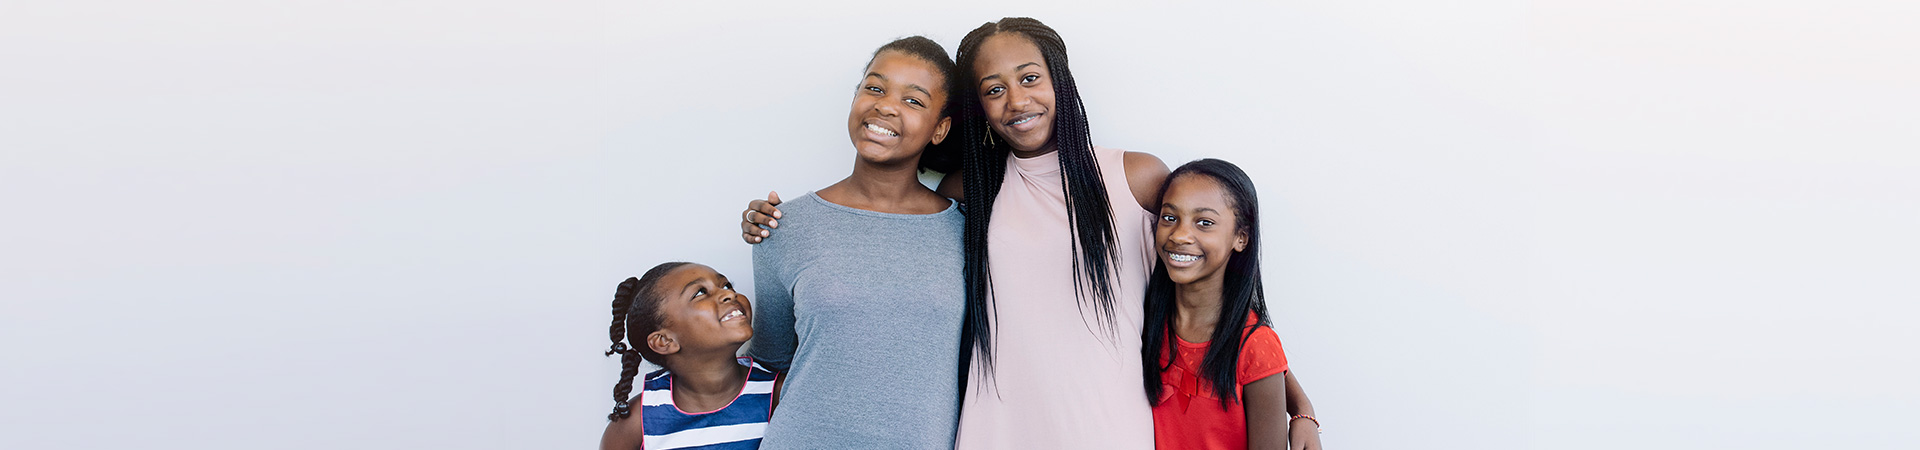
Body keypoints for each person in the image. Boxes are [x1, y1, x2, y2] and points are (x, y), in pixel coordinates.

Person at [746, 36, 966, 449]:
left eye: (914, 100)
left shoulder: (964, 229)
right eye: (874, 87)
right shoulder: (782, 226)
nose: (885, 105)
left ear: (940, 129)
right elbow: (772, 359)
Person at [1142, 159, 1322, 450]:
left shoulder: (1255, 344)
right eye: (1169, 217)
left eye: (1205, 223)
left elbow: (1264, 362)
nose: (1179, 235)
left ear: (1241, 237)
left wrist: (1303, 413)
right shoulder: (1144, 316)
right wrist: (1302, 407)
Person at [600, 262, 773, 450]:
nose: (729, 294)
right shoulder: (634, 426)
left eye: (726, 285)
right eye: (700, 293)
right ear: (664, 341)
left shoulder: (780, 393)